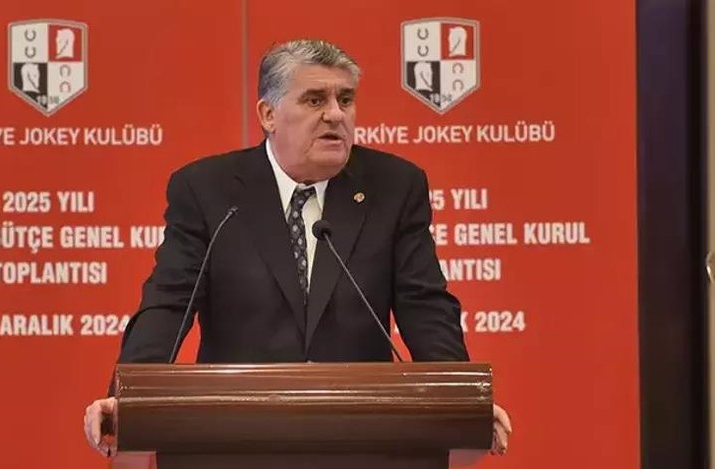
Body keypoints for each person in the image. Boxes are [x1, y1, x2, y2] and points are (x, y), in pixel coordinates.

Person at [83, 38, 511, 461]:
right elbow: (169, 302)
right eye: (315, 99)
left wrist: (463, 404)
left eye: (346, 99)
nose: (335, 114)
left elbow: (425, 305)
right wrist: (126, 398)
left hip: (363, 439)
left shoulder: (394, 186)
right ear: (268, 114)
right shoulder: (207, 189)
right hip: (235, 438)